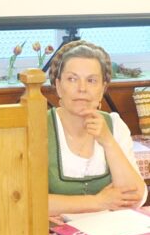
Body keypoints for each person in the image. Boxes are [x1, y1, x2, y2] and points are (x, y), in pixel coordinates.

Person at [47, 40, 147, 217]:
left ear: (102, 89)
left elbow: (135, 198)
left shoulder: (114, 125)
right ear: (58, 86)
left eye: (91, 80)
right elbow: (26, 201)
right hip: (49, 231)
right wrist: (98, 202)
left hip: (108, 230)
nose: (82, 88)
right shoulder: (39, 127)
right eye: (72, 79)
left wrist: (108, 141)